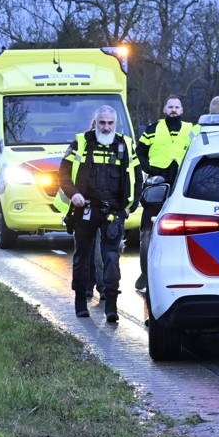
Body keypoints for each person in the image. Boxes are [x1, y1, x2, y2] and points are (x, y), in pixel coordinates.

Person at [59, 104, 139, 322]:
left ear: (116, 124)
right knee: (82, 256)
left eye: (110, 123)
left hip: (113, 211)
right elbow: (63, 174)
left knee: (111, 258)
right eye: (102, 123)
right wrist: (74, 194)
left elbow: (137, 177)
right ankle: (80, 302)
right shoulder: (81, 142)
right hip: (85, 209)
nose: (106, 127)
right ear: (95, 123)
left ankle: (111, 306)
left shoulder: (125, 145)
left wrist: (129, 207)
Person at [133, 95, 196, 292]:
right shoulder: (152, 129)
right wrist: (149, 168)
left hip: (183, 184)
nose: (173, 110)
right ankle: (145, 273)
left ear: (182, 110)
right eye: (170, 107)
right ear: (164, 109)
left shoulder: (192, 130)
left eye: (177, 107)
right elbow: (139, 152)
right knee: (147, 230)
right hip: (157, 183)